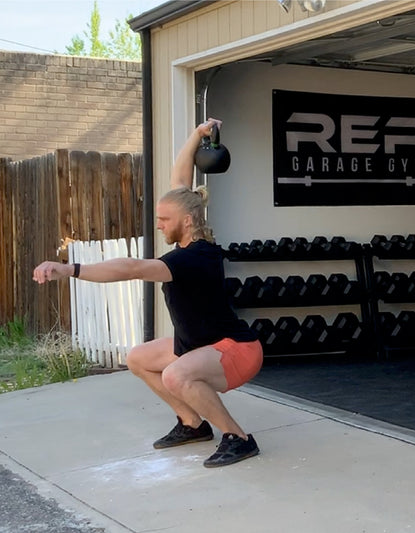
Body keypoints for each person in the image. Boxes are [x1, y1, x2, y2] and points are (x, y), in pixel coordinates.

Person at [33, 118, 263, 468]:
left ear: (186, 222)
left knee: (176, 375)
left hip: (237, 350)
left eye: (163, 220)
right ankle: (192, 424)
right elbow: (180, 183)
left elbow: (132, 268)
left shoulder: (192, 258)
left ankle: (240, 438)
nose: (158, 225)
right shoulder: (191, 227)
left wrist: (70, 269)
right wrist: (196, 136)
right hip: (203, 345)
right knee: (139, 357)